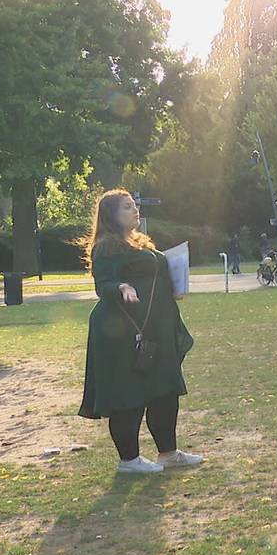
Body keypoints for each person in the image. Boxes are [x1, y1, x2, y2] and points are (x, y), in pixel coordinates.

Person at [78, 189, 202, 474]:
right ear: (111, 215)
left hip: (156, 328)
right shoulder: (106, 247)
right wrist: (121, 287)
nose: (135, 210)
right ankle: (129, 460)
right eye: (127, 207)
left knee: (164, 390)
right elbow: (103, 284)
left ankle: (168, 453)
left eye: (134, 205)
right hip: (122, 332)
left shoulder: (140, 243)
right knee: (128, 392)